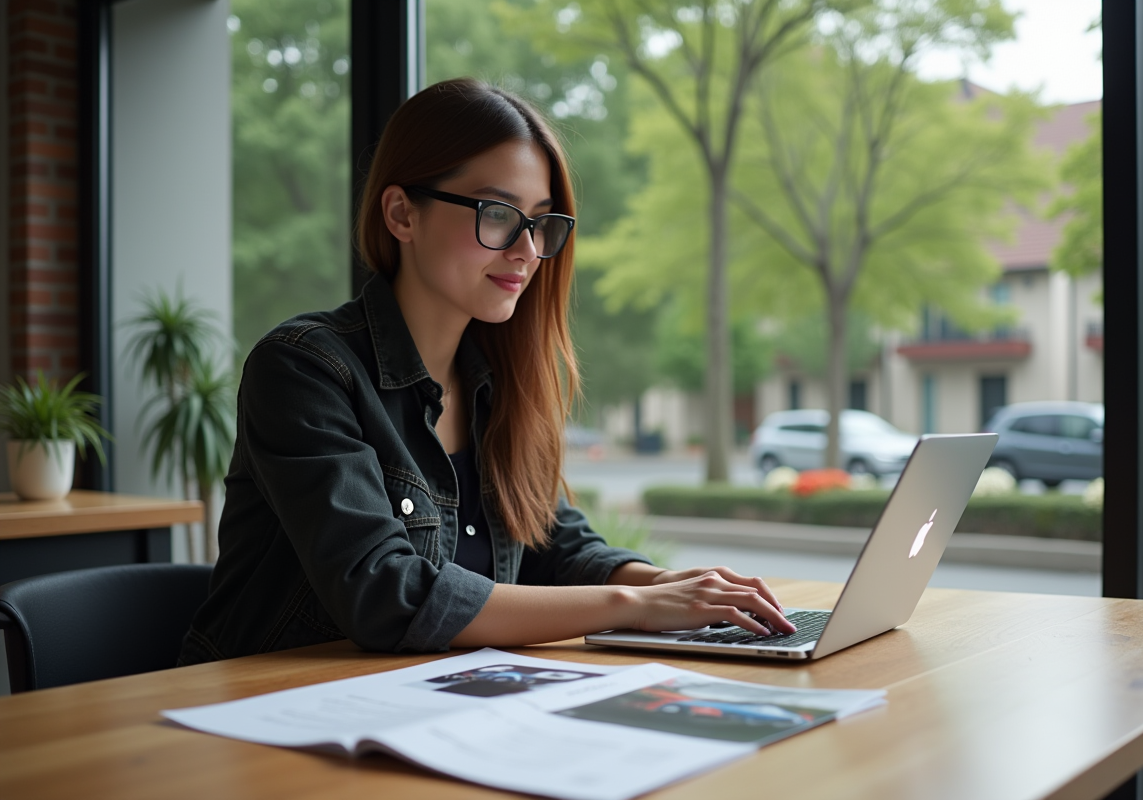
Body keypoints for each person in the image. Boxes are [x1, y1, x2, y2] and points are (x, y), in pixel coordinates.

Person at [178, 78, 794, 666]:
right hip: (271, 713)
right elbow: (386, 594)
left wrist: (674, 587)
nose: (527, 249)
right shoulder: (305, 368)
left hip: (432, 704)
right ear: (402, 214)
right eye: (498, 213)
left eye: (541, 220)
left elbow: (555, 545)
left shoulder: (499, 383)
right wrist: (633, 605)